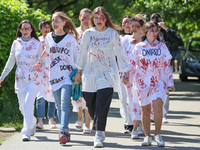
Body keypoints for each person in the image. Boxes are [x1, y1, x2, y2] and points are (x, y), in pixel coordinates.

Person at [74, 6, 129, 148]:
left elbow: (119, 52)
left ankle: (99, 133)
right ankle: (98, 124)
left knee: (101, 104)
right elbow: (82, 53)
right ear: (93, 19)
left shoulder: (112, 34)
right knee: (91, 105)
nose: (99, 20)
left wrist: (125, 71)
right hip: (89, 73)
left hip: (107, 73)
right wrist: (78, 72)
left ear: (106, 19)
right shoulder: (88, 34)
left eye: (101, 18)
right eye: (96, 18)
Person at [33, 12, 78, 145]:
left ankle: (63, 131)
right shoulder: (49, 38)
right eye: (53, 20)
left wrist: (78, 73)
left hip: (68, 76)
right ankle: (66, 131)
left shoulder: (70, 38)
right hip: (54, 75)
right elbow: (47, 50)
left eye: (56, 20)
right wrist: (40, 60)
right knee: (59, 105)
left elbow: (76, 56)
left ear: (64, 22)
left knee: (64, 103)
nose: (54, 23)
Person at [130, 22, 175, 147]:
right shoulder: (139, 47)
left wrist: (170, 82)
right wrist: (127, 77)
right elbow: (132, 63)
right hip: (142, 83)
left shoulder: (162, 47)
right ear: (146, 32)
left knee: (158, 107)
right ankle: (147, 136)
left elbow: (167, 65)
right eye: (152, 30)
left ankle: (158, 135)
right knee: (145, 110)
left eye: (156, 31)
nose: (155, 33)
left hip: (158, 82)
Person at [0, 20, 43, 141]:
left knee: (29, 102)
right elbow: (10, 61)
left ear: (31, 30)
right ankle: (32, 121)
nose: (25, 31)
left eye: (28, 28)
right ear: (19, 30)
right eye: (23, 29)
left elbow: (43, 61)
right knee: (22, 107)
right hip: (20, 79)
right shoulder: (16, 43)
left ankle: (26, 131)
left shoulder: (37, 43)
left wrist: (40, 64)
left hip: (34, 78)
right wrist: (2, 77)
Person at [150, 13, 180, 123]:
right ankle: (152, 113)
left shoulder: (166, 32)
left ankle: (163, 113)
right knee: (150, 89)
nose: (155, 22)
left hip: (165, 64)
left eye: (157, 20)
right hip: (150, 64)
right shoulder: (148, 30)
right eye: (153, 20)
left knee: (165, 89)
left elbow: (176, 41)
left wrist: (165, 28)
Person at [123, 14, 146, 139]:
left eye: (137, 26)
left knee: (143, 101)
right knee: (132, 101)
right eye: (133, 26)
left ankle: (141, 124)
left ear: (142, 27)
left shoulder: (146, 41)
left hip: (144, 76)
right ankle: (134, 127)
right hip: (130, 75)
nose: (134, 28)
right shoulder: (126, 40)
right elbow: (122, 59)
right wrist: (124, 73)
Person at [72, 8, 92, 134]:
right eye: (83, 17)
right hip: (75, 67)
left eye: (88, 18)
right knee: (76, 96)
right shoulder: (74, 33)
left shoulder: (93, 32)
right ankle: (80, 116)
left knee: (88, 96)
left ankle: (87, 124)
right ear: (79, 18)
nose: (85, 20)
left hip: (90, 67)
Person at [36, 19, 57, 130]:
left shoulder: (54, 40)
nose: (47, 29)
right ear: (40, 29)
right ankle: (40, 121)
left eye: (48, 27)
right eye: (44, 27)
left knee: (52, 95)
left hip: (52, 70)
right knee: (40, 95)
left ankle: (51, 119)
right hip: (40, 72)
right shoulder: (37, 41)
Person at [118, 15, 133, 134]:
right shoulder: (118, 38)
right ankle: (127, 122)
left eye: (128, 22)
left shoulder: (137, 38)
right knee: (123, 98)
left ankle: (136, 121)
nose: (126, 24)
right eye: (124, 23)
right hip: (121, 71)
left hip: (134, 72)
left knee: (134, 97)